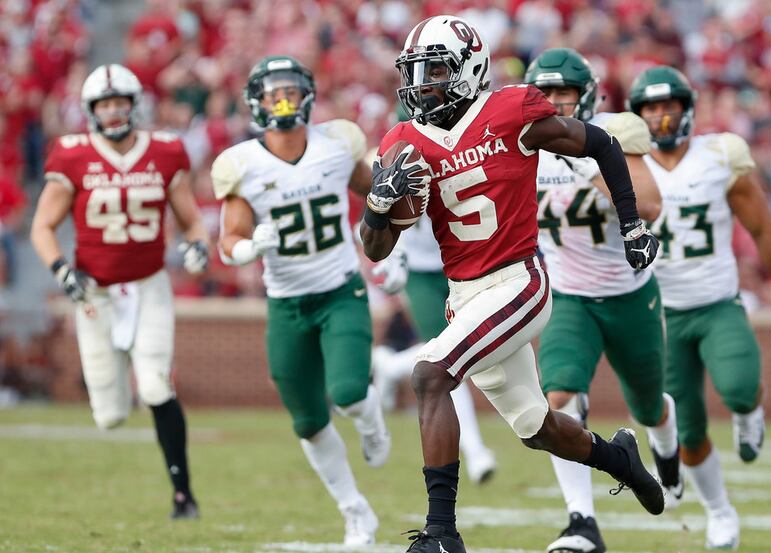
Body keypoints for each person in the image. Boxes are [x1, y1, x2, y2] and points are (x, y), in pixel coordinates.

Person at [360, 16, 663, 553]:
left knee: (431, 375)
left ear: (469, 69)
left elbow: (602, 144)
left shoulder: (510, 111)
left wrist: (632, 223)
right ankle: (621, 460)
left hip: (519, 282)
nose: (422, 83)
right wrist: (378, 209)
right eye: (416, 72)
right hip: (465, 296)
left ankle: (441, 534)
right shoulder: (403, 141)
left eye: (435, 70)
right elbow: (376, 247)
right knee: (537, 427)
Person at [627, 65, 771, 550]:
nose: (661, 117)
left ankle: (750, 411)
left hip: (716, 304)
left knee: (737, 388)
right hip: (660, 316)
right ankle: (720, 512)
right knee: (686, 430)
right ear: (637, 115)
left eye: (669, 105)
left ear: (687, 108)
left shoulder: (719, 155)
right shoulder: (625, 164)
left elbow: (763, 230)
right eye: (651, 108)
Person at [211, 55, 389, 546]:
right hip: (287, 303)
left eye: (291, 89)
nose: (283, 100)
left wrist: (389, 252)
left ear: (309, 94)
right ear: (256, 103)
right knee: (309, 422)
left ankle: (372, 420)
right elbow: (229, 238)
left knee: (351, 392)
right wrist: (249, 248)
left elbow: (379, 195)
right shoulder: (242, 165)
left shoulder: (336, 145)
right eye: (273, 93)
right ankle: (356, 511)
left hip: (339, 291)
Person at [30, 64, 208, 519]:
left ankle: (183, 496)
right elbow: (43, 226)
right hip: (95, 291)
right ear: (92, 111)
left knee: (154, 386)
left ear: (135, 105)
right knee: (108, 413)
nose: (113, 112)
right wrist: (60, 269)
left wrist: (197, 246)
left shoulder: (166, 151)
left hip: (148, 284)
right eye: (104, 104)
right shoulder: (71, 155)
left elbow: (190, 219)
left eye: (120, 103)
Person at [525, 48, 681, 553]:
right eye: (544, 94)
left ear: (585, 97)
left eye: (563, 94)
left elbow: (651, 205)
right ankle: (581, 522)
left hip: (629, 295)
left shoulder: (610, 135)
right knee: (558, 399)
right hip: (569, 295)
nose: (553, 103)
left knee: (647, 405)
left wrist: (584, 166)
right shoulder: (520, 145)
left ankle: (666, 445)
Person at [371, 212, 498, 485]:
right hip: (422, 271)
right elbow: (381, 204)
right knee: (448, 360)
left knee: (470, 348)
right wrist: (392, 255)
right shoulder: (399, 166)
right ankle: (475, 452)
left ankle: (391, 366)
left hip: (468, 263)